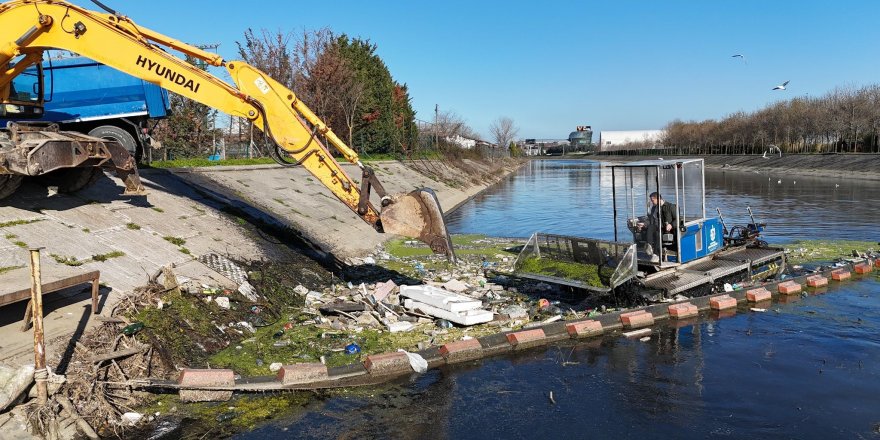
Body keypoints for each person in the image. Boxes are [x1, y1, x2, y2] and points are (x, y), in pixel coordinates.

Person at [645, 192, 677, 260]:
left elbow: (678, 219)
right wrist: (644, 224)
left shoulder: (670, 206)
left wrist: (671, 225)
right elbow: (651, 220)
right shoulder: (654, 208)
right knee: (650, 227)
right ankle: (649, 246)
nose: (652, 202)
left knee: (657, 233)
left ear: (658, 199)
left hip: (665, 228)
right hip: (656, 226)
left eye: (652, 200)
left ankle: (656, 254)